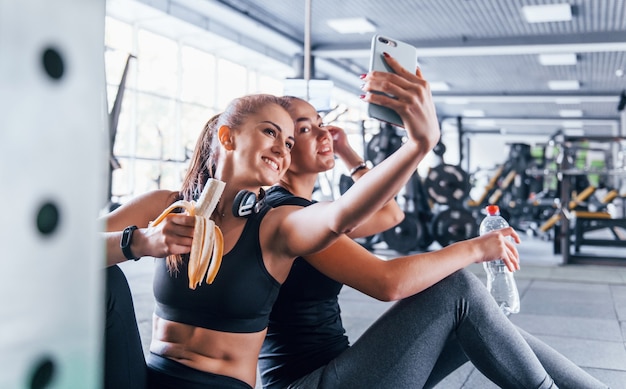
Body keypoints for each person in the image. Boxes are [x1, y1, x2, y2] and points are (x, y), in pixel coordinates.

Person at [100, 52, 441, 389]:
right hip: (146, 377)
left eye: (289, 142)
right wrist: (141, 241)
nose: (282, 149)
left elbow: (341, 215)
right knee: (104, 279)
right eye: (270, 133)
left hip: (222, 385)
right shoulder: (166, 205)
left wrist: (417, 146)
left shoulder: (276, 224)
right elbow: (66, 248)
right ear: (227, 137)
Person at [257, 95, 610, 389]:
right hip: (309, 383)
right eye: (305, 129)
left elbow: (390, 215)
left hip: (342, 369)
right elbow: (388, 283)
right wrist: (475, 247)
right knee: (456, 289)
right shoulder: (289, 217)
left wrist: (349, 154)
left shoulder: (312, 212)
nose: (323, 132)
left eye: (321, 121)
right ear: (284, 148)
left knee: (480, 319)